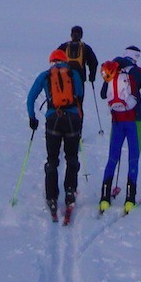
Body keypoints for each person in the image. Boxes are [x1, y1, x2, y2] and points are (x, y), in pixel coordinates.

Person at [99, 45, 141, 213]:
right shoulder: (135, 71)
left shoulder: (112, 69)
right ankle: (129, 199)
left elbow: (104, 94)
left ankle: (104, 198)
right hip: (135, 120)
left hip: (116, 120)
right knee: (133, 158)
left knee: (113, 158)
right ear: (136, 57)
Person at [26, 48, 84, 221]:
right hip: (73, 119)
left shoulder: (45, 75)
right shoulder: (73, 74)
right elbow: (79, 94)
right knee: (72, 157)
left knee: (52, 159)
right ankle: (70, 191)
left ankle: (51, 196)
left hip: (53, 119)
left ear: (51, 61)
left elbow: (30, 98)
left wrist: (32, 117)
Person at [56, 26, 99, 104]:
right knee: (78, 102)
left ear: (71, 35)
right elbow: (94, 63)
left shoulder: (64, 46)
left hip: (65, 78)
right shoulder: (85, 47)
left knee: (65, 102)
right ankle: (78, 115)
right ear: (81, 35)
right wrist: (92, 76)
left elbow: (55, 59)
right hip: (80, 78)